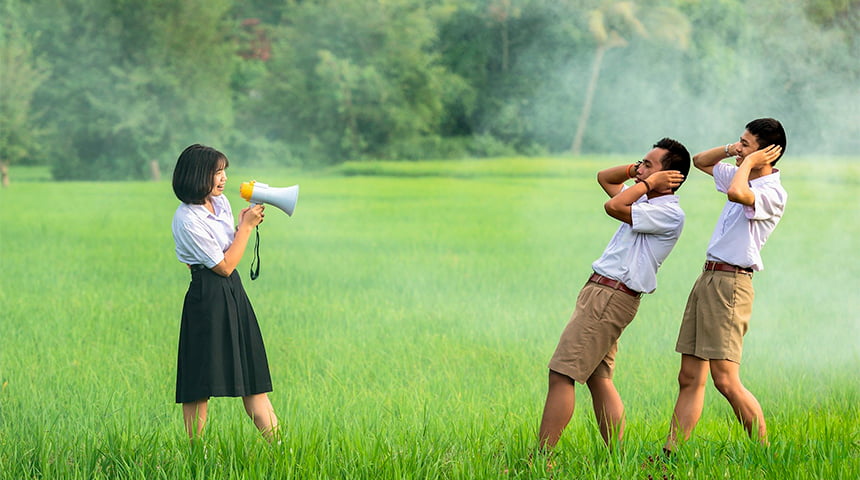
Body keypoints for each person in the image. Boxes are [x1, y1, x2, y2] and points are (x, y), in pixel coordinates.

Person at [538, 138, 691, 451]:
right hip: (603, 292)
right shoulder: (644, 201)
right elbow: (604, 178)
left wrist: (647, 183)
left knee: (562, 373)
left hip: (610, 295)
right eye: (641, 162)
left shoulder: (668, 213)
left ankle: (542, 458)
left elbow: (613, 206)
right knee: (598, 378)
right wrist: (640, 172)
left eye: (649, 164)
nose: (640, 169)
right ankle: (618, 457)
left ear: (671, 177)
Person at [663, 118, 787, 454]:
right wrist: (736, 151)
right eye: (739, 142)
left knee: (725, 379)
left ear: (765, 155)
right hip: (709, 278)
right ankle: (669, 455)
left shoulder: (772, 192)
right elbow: (701, 161)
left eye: (746, 143)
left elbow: (737, 192)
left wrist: (747, 162)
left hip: (732, 283)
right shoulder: (741, 171)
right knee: (689, 376)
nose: (738, 148)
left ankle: (764, 453)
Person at [171, 144, 279, 441]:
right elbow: (225, 265)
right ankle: (197, 455)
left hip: (233, 293)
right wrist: (245, 227)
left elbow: (232, 251)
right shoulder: (187, 220)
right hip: (207, 295)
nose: (224, 179)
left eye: (224, 172)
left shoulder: (220, 205)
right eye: (217, 172)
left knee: (253, 378)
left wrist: (244, 224)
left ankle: (282, 450)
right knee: (198, 383)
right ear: (196, 176)